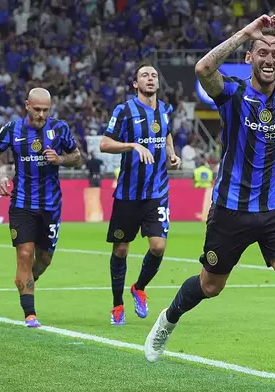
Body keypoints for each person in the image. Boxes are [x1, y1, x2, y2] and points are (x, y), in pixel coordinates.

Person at [143, 15, 275, 392]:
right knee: (211, 285)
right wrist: (246, 34)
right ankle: (168, 319)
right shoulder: (232, 93)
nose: (269, 59)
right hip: (231, 210)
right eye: (262, 53)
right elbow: (202, 68)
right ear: (250, 58)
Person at [0, 88, 82, 328]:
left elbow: (77, 156)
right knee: (24, 254)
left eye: (45, 110)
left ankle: (28, 279)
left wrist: (60, 159)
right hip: (22, 204)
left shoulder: (59, 129)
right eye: (37, 109)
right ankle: (30, 314)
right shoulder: (12, 129)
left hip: (51, 205)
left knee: (44, 259)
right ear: (27, 105)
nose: (41, 114)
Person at [99, 62, 182, 326]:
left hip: (157, 191)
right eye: (144, 75)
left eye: (154, 75)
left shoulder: (166, 110)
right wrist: (133, 145)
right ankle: (117, 304)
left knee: (158, 247)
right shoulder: (124, 111)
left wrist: (171, 153)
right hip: (128, 194)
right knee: (121, 250)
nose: (150, 78)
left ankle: (139, 287)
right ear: (136, 84)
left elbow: (167, 133)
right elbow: (104, 144)